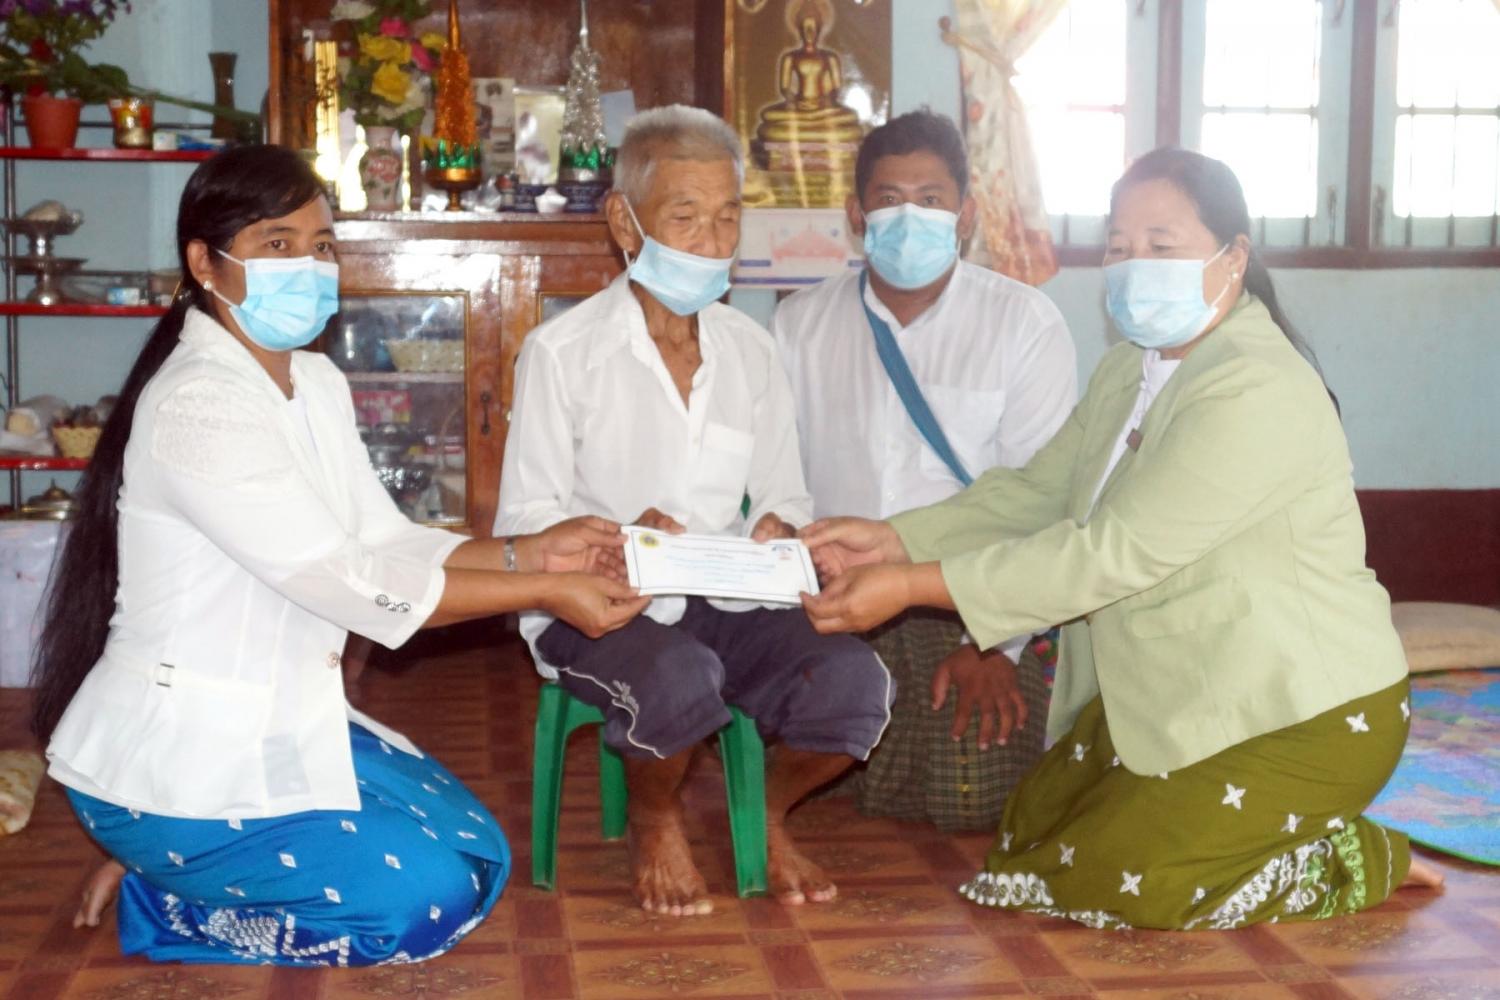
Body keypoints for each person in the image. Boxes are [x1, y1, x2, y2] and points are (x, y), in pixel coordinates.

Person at [30, 146, 649, 966]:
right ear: (204, 264)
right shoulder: (198, 405)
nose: (309, 265)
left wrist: (529, 550)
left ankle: (191, 865)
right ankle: (169, 896)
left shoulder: (313, 382)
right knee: (427, 901)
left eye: (321, 244)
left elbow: (384, 540)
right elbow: (350, 582)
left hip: (280, 720)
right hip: (176, 756)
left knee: (479, 851)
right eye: (277, 243)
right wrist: (546, 589)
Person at [799, 147, 1442, 930]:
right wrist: (892, 541)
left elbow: (1113, 555)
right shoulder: (1128, 370)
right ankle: (1269, 830)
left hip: (1298, 705)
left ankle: (1355, 856)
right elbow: (1037, 493)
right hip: (1183, 686)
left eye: (1162, 245)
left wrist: (911, 587)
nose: (1135, 266)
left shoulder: (1255, 386)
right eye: (1119, 245)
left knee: (1125, 884)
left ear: (1234, 257)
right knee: (1026, 846)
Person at [495, 105, 894, 918]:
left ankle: (764, 814)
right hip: (594, 602)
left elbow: (785, 492)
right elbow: (525, 523)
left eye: (727, 218)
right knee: (676, 676)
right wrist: (608, 541)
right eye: (685, 218)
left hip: (723, 592)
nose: (712, 243)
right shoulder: (563, 353)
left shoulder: (750, 349)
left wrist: (779, 528)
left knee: (854, 680)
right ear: (625, 222)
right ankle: (655, 818)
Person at [772, 109, 1076, 832]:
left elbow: (1044, 502)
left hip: (963, 597)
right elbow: (777, 480)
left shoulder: (1025, 324)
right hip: (832, 597)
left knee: (970, 794)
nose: (909, 217)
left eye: (931, 199)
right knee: (822, 758)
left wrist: (994, 645)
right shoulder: (798, 325)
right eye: (888, 198)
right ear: (856, 216)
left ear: (965, 215)